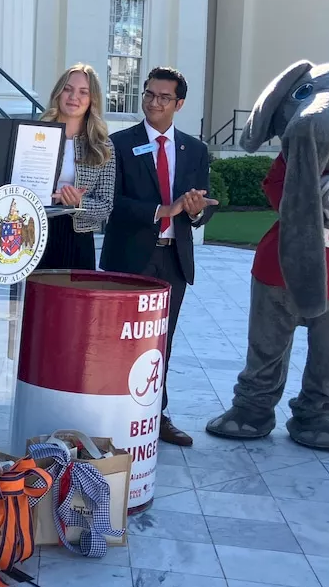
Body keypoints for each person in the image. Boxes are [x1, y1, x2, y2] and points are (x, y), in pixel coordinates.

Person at [99, 67, 218, 447]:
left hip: (173, 261)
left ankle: (154, 416)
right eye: (149, 94)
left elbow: (204, 206)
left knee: (160, 343)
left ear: (179, 104)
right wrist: (160, 211)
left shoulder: (194, 150)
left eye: (163, 97)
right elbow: (111, 203)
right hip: (129, 258)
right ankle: (111, 416)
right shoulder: (118, 144)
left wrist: (196, 209)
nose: (153, 102)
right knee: (119, 340)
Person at [36, 64, 117, 269]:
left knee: (73, 301)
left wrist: (78, 202)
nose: (74, 97)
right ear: (58, 93)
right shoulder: (34, 134)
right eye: (68, 89)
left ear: (92, 100)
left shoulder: (102, 146)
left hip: (77, 239)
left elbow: (105, 207)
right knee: (33, 300)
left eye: (83, 92)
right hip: (33, 231)